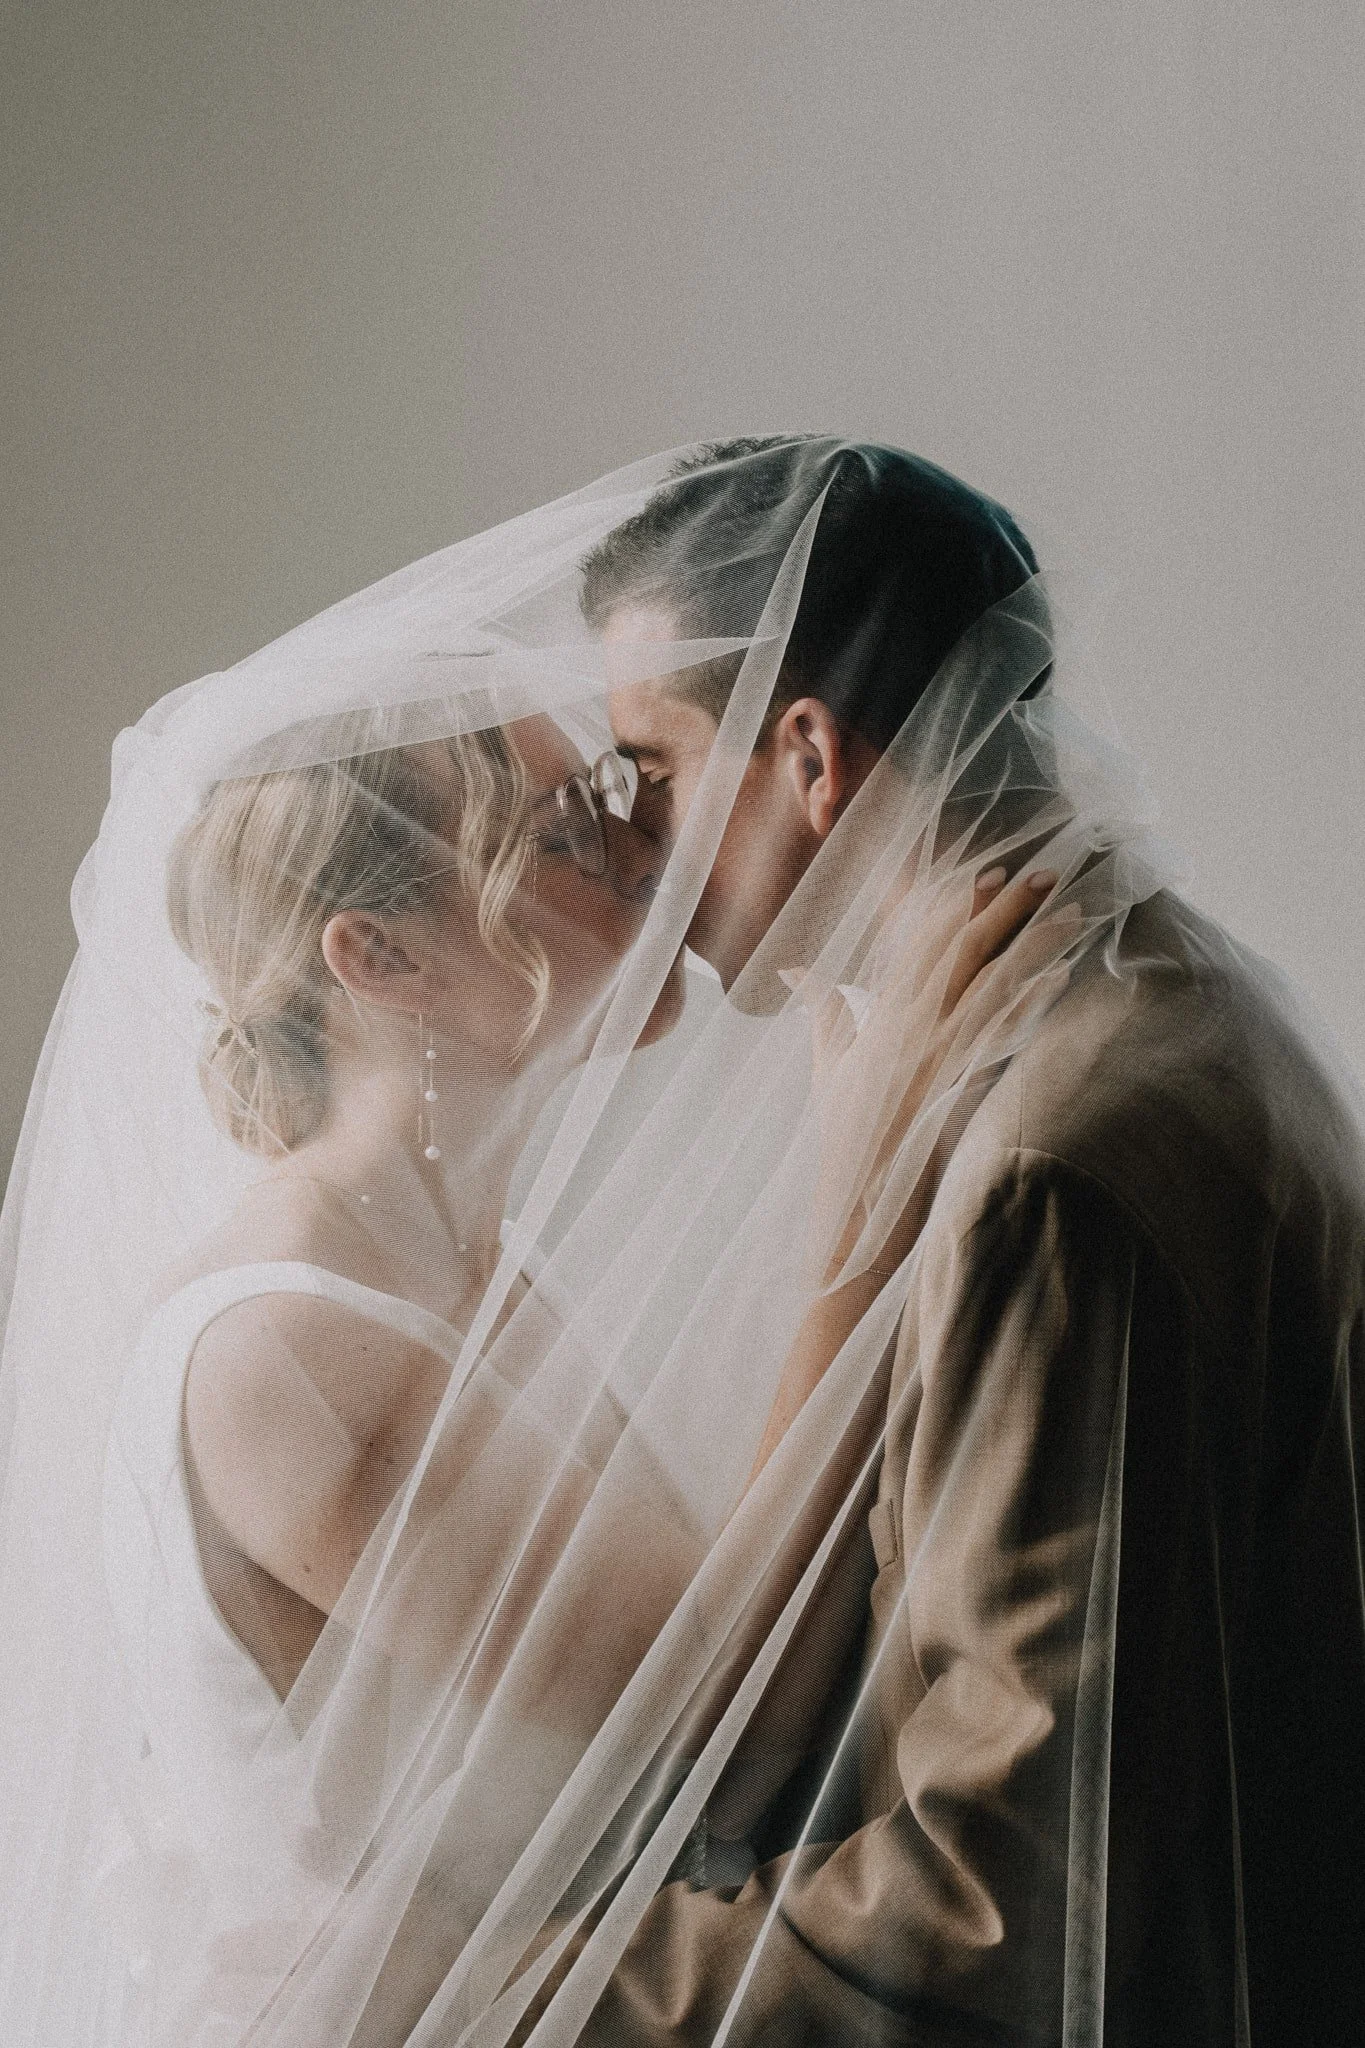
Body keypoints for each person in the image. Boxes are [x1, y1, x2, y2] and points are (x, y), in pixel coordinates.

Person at [506, 436, 1364, 2047]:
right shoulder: (1169, 1001)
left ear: (810, 755)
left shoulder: (1052, 1153)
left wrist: (503, 1985)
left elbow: (1006, 1887)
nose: (633, 851)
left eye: (656, 769)